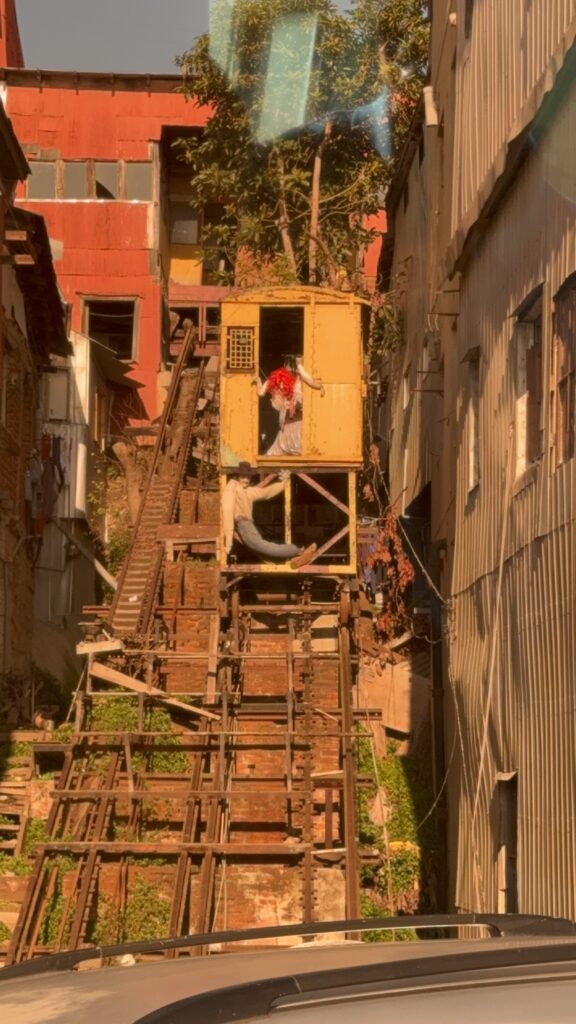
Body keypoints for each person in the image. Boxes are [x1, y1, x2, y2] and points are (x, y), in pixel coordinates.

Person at [222, 462, 317, 567]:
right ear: (237, 476)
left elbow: (266, 492)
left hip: (248, 526)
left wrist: (283, 483)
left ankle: (297, 553)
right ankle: (296, 553)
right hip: (243, 525)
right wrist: (228, 540)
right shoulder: (232, 486)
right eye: (243, 476)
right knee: (265, 548)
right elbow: (227, 510)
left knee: (265, 548)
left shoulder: (247, 490)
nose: (246, 480)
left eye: (248, 477)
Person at [253, 356, 325, 456]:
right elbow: (311, 382)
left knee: (280, 447)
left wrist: (258, 381)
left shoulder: (274, 379)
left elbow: (260, 393)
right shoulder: (298, 380)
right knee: (297, 444)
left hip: (287, 421)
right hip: (297, 420)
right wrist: (320, 386)